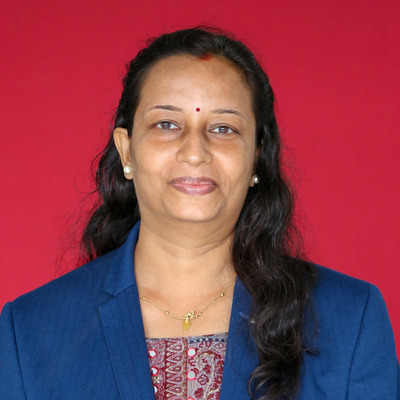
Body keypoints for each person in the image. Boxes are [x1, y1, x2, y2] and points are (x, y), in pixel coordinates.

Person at [0, 27, 398, 400]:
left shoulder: (349, 320)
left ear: (257, 156)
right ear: (126, 151)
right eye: (167, 124)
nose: (195, 152)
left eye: (223, 128)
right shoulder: (31, 332)